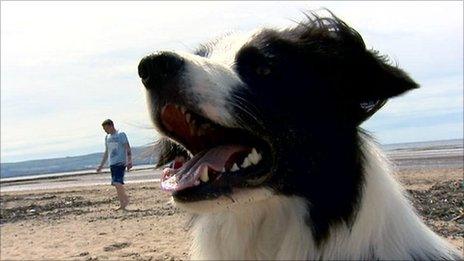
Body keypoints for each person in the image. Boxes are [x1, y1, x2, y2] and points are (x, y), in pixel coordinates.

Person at [96, 119, 133, 211]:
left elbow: (127, 148)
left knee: (117, 182)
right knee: (116, 184)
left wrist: (129, 161)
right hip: (112, 163)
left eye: (106, 128)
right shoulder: (107, 137)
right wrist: (101, 165)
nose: (105, 130)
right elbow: (107, 152)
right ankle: (122, 204)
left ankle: (125, 200)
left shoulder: (121, 134)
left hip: (120, 162)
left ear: (111, 125)